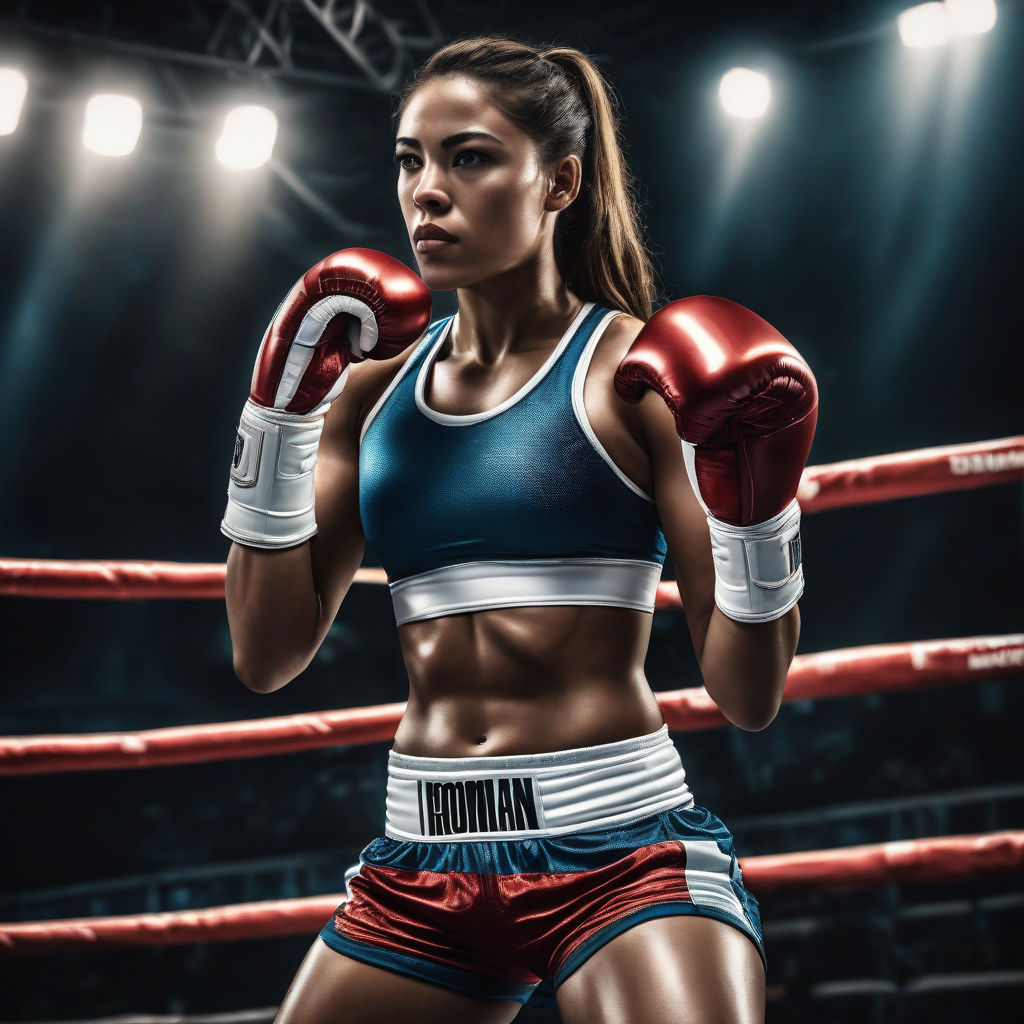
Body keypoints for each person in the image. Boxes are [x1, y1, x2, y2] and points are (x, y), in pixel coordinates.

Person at [222, 34, 816, 1024]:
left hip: (616, 851)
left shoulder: (637, 373)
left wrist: (758, 508)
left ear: (559, 183)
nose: (426, 191)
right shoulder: (366, 386)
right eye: (410, 159)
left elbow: (747, 693)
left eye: (469, 157)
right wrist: (274, 423)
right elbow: (265, 652)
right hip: (419, 866)